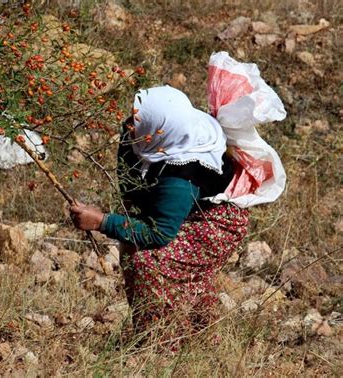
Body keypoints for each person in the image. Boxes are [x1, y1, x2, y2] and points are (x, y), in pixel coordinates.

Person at [70, 86, 249, 343]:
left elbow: (159, 232)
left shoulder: (181, 175)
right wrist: (127, 218)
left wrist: (102, 222)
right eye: (133, 118)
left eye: (136, 122)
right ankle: (196, 333)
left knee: (149, 261)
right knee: (137, 247)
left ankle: (160, 342)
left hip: (215, 223)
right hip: (180, 209)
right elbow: (130, 177)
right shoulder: (147, 133)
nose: (130, 125)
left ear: (160, 131)